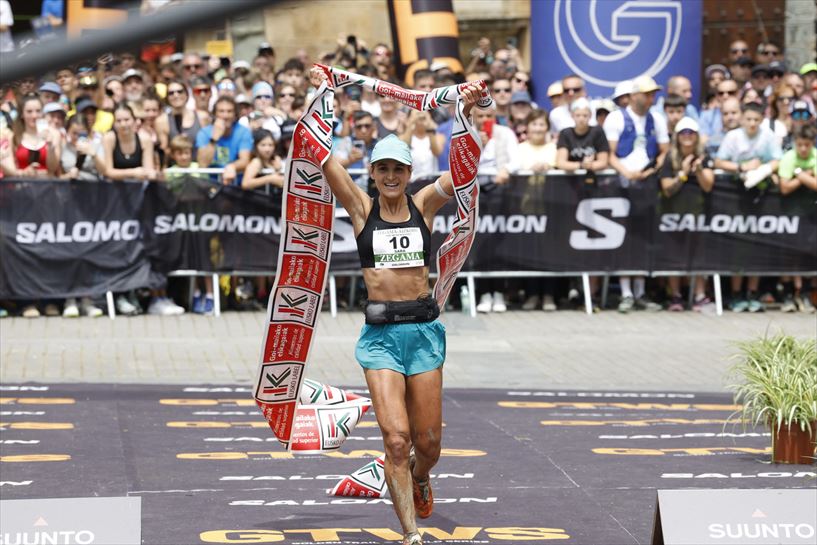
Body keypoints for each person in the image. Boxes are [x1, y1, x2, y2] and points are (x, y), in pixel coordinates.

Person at [312, 66, 482, 545]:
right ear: (373, 173)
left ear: (409, 173)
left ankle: (420, 475)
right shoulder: (360, 208)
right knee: (396, 439)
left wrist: (466, 117)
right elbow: (322, 159)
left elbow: (465, 172)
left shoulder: (424, 204)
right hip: (381, 339)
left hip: (424, 334)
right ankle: (411, 534)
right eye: (382, 168)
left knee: (427, 445)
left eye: (398, 169)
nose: (389, 176)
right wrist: (322, 96)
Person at [604, 75, 669, 313]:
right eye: (647, 94)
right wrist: (627, 172)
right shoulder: (616, 118)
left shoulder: (657, 119)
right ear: (633, 96)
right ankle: (626, 292)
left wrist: (650, 170)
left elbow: (664, 151)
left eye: (653, 94)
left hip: (647, 183)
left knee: (643, 237)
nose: (652, 98)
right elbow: (610, 153)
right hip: (622, 184)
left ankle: (640, 291)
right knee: (624, 237)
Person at [714, 101, 782, 312]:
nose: (752, 123)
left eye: (756, 120)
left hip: (761, 197)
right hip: (735, 196)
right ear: (742, 118)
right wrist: (742, 167)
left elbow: (777, 160)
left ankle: (752, 293)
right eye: (748, 119)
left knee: (757, 246)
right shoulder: (732, 137)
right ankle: (735, 294)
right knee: (737, 248)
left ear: (762, 120)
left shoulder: (768, 136)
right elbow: (718, 162)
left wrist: (761, 170)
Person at [659, 117, 715, 311]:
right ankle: (675, 296)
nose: (687, 136)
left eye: (691, 133)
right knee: (675, 253)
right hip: (673, 212)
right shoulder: (670, 157)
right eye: (683, 133)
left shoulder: (703, 156)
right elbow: (666, 188)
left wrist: (698, 170)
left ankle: (699, 295)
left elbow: (708, 185)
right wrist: (682, 174)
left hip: (697, 211)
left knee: (697, 253)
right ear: (677, 136)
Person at [776, 124, 817, 313]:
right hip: (790, 213)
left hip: (811, 215)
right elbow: (784, 188)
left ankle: (806, 294)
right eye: (800, 145)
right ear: (795, 143)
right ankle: (789, 294)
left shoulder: (815, 156)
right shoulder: (788, 157)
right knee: (789, 255)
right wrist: (805, 175)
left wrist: (798, 175)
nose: (803, 149)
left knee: (810, 254)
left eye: (806, 145)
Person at [195, 96, 253, 185]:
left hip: (236, 185)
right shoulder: (204, 133)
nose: (225, 116)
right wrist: (214, 139)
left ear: (235, 115)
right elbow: (203, 163)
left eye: (229, 111)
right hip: (211, 185)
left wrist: (232, 166)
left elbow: (244, 160)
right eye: (221, 111)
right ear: (215, 114)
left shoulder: (243, 131)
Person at [1, 95, 61, 178]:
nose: (34, 116)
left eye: (38, 111)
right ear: (22, 114)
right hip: (23, 187)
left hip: (47, 187)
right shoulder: (14, 136)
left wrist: (50, 146)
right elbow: (11, 170)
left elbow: (53, 168)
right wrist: (24, 173)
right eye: (29, 111)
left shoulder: (54, 134)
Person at [102, 102, 156, 181]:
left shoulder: (145, 139)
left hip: (138, 187)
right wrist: (133, 172)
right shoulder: (109, 138)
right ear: (113, 123)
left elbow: (148, 169)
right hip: (114, 188)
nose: (123, 124)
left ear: (134, 120)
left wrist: (152, 174)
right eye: (119, 121)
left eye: (127, 120)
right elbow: (108, 171)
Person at [156, 79, 204, 161]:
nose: (176, 95)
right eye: (171, 93)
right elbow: (164, 150)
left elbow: (206, 145)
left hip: (199, 168)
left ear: (186, 94)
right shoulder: (161, 121)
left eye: (180, 91)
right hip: (175, 169)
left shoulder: (202, 116)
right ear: (167, 97)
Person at [399, 109, 442, 181]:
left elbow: (437, 152)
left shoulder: (436, 136)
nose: (420, 114)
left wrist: (429, 125)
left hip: (431, 182)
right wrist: (411, 122)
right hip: (412, 182)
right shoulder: (403, 137)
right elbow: (403, 148)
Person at [60, 114, 105, 180]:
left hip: (92, 187)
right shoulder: (63, 148)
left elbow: (103, 172)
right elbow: (58, 177)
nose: (77, 137)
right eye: (74, 133)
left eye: (81, 134)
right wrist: (69, 175)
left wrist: (93, 155)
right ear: (68, 131)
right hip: (70, 188)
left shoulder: (96, 145)